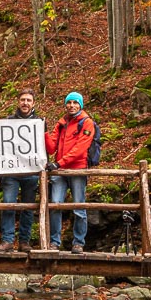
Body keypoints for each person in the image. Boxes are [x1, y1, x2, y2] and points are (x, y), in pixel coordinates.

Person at [45, 91, 95, 253]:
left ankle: (78, 242)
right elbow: (52, 147)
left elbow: (80, 149)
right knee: (55, 205)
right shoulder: (61, 123)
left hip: (77, 169)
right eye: (69, 102)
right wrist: (44, 132)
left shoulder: (86, 123)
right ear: (65, 104)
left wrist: (59, 163)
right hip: (60, 170)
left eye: (75, 103)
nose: (72, 105)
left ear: (80, 105)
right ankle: (54, 242)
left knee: (79, 206)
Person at [0, 88, 40, 253]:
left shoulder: (39, 122)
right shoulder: (9, 121)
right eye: (23, 100)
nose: (25, 103)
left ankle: (24, 241)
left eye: (29, 100)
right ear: (18, 102)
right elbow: (0, 145)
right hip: (11, 172)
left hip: (31, 172)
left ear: (33, 103)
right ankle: (7, 240)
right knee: (8, 204)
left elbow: (43, 146)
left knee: (28, 208)